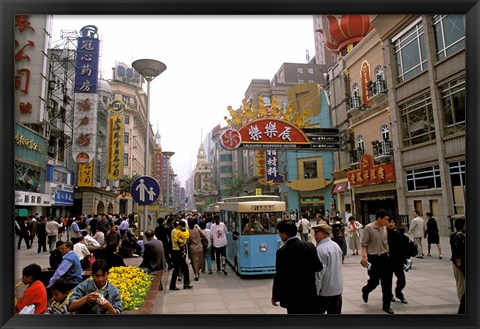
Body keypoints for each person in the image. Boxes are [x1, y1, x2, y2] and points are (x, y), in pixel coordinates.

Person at [271, 220, 322, 314]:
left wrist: (275, 296)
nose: (279, 235)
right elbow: (319, 267)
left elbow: (279, 276)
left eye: (279, 232)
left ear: (285, 233)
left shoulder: (282, 252)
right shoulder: (309, 246)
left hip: (292, 296)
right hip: (309, 293)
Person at [360, 209, 394, 314]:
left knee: (387, 282)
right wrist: (364, 257)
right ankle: (366, 290)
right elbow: (364, 244)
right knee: (374, 281)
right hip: (373, 258)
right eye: (385, 219)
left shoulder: (385, 228)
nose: (387, 221)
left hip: (385, 257)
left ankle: (386, 305)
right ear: (379, 218)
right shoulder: (369, 228)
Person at [311, 223, 343, 314]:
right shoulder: (335, 246)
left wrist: (315, 292)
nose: (315, 235)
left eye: (317, 233)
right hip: (337, 289)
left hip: (325, 292)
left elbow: (319, 273)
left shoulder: (320, 249)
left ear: (324, 233)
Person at [386, 218, 409, 304]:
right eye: (389, 222)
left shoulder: (398, 234)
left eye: (392, 222)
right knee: (388, 281)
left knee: (402, 279)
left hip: (398, 260)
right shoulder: (383, 234)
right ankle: (389, 295)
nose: (391, 224)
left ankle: (399, 293)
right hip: (387, 260)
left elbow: (405, 244)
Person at [170, 220, 193, 290]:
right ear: (179, 225)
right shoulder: (175, 231)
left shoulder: (176, 231)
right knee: (182, 267)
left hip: (177, 251)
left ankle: (174, 285)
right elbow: (179, 241)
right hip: (176, 251)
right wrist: (184, 241)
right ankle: (184, 284)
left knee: (178, 268)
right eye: (181, 226)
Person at [450, 217, 465, 314]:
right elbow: (456, 250)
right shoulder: (458, 236)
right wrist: (458, 260)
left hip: (459, 262)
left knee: (461, 283)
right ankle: (462, 302)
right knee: (461, 283)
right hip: (459, 263)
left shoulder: (457, 235)